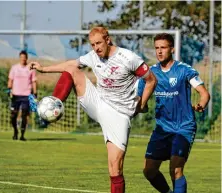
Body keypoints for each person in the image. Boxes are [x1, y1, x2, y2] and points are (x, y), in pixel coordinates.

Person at [29, 26, 157, 193]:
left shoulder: (128, 58)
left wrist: (141, 104)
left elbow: (151, 81)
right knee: (72, 70)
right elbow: (70, 64)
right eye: (92, 44)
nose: (96, 48)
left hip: (119, 115)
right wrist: (43, 69)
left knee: (115, 168)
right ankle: (54, 104)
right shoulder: (92, 56)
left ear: (108, 40)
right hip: (98, 102)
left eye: (98, 43)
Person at [143, 33, 210, 193]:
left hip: (183, 127)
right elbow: (141, 99)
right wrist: (139, 106)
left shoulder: (183, 70)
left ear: (172, 49)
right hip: (162, 129)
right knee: (149, 171)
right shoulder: (150, 73)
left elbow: (204, 93)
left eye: (163, 47)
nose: (159, 51)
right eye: (157, 48)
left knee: (175, 169)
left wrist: (201, 104)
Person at [8, 50, 37, 141]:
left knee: (25, 115)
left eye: (24, 58)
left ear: (26, 58)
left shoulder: (30, 68)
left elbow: (34, 81)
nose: (23, 59)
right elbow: (10, 80)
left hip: (26, 95)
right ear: (19, 58)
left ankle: (22, 135)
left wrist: (35, 93)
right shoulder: (14, 68)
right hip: (16, 94)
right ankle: (15, 131)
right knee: (13, 115)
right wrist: (9, 90)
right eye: (21, 57)